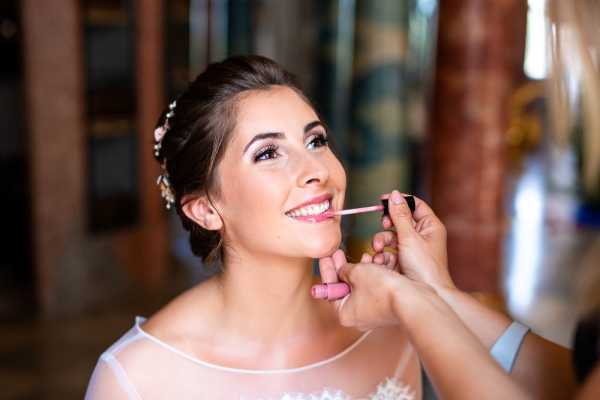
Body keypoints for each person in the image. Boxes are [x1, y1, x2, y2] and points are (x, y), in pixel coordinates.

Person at [85, 55, 424, 399]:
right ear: (205, 210)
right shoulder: (137, 377)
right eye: (267, 154)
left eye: (315, 141)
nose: (317, 170)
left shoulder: (388, 334)